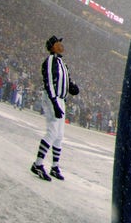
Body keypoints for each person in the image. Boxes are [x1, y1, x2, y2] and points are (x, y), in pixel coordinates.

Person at [29, 35, 79, 182]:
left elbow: (66, 80)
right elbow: (49, 82)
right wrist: (54, 103)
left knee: (59, 135)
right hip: (53, 98)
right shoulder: (51, 60)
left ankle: (55, 166)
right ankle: (38, 164)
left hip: (61, 98)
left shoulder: (62, 63)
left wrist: (72, 87)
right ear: (52, 46)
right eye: (58, 43)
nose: (61, 45)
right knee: (52, 131)